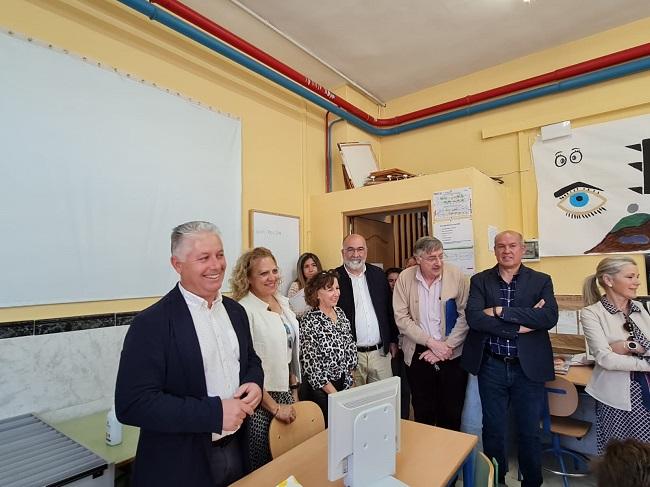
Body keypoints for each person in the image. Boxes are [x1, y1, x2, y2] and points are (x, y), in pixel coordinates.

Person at [115, 221, 263, 487]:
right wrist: (214, 413)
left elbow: (251, 360)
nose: (216, 265)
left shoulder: (235, 312)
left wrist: (255, 382)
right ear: (177, 264)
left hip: (237, 450)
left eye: (219, 255)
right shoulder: (152, 324)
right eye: (203, 258)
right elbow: (132, 404)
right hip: (182, 463)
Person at [461, 230, 558, 487]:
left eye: (512, 245)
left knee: (529, 431)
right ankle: (497, 481)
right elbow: (475, 319)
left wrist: (499, 311)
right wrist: (521, 322)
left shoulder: (541, 280)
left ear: (522, 249)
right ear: (494, 250)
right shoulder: (480, 280)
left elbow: (548, 318)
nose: (507, 250)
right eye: (501, 246)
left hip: (527, 368)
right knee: (493, 430)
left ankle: (532, 482)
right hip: (491, 364)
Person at [230, 247, 301, 470]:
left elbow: (288, 352)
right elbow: (244, 368)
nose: (272, 278)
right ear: (248, 278)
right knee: (265, 466)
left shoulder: (283, 302)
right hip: (261, 400)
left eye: (274, 271)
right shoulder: (243, 310)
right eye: (263, 273)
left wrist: (294, 390)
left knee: (288, 461)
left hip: (286, 393)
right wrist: (274, 407)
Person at [393, 236, 470, 430]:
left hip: (451, 353)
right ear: (418, 259)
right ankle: (427, 458)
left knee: (451, 412)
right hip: (419, 353)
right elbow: (401, 318)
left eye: (440, 256)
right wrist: (431, 343)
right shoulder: (405, 278)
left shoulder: (456, 275)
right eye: (431, 258)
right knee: (423, 411)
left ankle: (452, 458)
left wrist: (446, 346)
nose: (438, 262)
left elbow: (466, 315)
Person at [581, 256, 650, 454]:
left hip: (647, 392)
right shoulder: (592, 313)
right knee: (623, 458)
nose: (637, 282)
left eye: (637, 276)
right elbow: (606, 359)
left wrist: (631, 346)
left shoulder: (643, 308)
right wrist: (646, 362)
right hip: (617, 399)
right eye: (630, 276)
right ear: (609, 280)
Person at [336, 234, 398, 386]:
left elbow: (388, 309)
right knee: (356, 404)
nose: (355, 255)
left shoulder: (377, 274)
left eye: (360, 249)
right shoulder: (335, 277)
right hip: (351, 356)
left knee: (383, 401)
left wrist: (393, 339)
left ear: (366, 251)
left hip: (380, 354)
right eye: (350, 250)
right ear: (343, 252)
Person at [299, 270, 358, 424]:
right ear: (316, 294)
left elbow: (350, 348)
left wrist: (350, 382)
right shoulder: (309, 320)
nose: (336, 293)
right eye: (329, 289)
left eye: (337, 288)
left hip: (345, 384)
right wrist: (335, 395)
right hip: (322, 390)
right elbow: (312, 365)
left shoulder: (341, 313)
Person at [385, 266, 411, 420]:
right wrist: (392, 341)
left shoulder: (407, 297)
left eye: (397, 280)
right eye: (390, 280)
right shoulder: (383, 300)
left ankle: (405, 420)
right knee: (393, 385)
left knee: (406, 387)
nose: (394, 284)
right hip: (392, 347)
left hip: (407, 346)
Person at [287, 252, 323, 317]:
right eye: (306, 266)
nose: (311, 269)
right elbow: (290, 310)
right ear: (301, 270)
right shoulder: (296, 286)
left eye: (314, 265)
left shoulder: (324, 284)